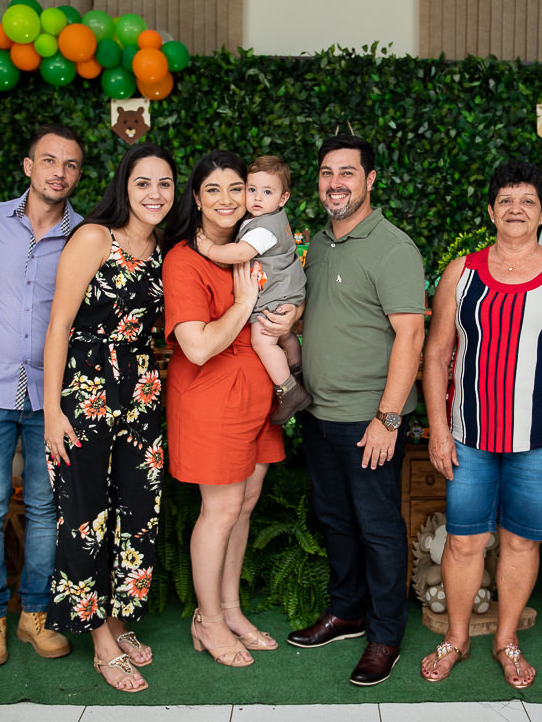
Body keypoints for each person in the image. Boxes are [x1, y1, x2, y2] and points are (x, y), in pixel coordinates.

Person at [419, 161, 542, 689]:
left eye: (527, 201)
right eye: (505, 200)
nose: (515, 209)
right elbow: (436, 356)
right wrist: (436, 426)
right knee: (463, 541)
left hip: (540, 438)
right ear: (491, 210)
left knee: (520, 541)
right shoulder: (462, 272)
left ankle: (506, 640)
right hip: (468, 436)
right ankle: (455, 637)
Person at [285, 134, 426, 687]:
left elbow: (410, 335)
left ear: (370, 180)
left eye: (347, 173)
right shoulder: (317, 245)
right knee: (335, 520)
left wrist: (388, 418)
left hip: (371, 421)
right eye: (326, 173)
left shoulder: (393, 248)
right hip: (319, 415)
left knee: (378, 528)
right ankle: (347, 610)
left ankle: (386, 635)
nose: (335, 183)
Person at [42, 142, 173, 693]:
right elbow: (59, 327)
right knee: (86, 516)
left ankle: (118, 622)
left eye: (165, 183)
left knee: (138, 512)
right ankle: (99, 640)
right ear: (124, 186)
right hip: (86, 389)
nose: (154, 194)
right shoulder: (95, 238)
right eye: (143, 182)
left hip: (142, 391)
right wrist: (51, 411)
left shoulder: (166, 248)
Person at [165, 151, 296, 667]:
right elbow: (196, 347)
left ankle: (231, 608)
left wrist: (290, 316)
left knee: (244, 504)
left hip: (257, 391)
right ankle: (209, 621)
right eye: (213, 190)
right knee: (219, 510)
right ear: (196, 198)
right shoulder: (184, 258)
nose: (227, 200)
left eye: (236, 189)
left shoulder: (254, 248)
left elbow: (286, 298)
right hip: (210, 395)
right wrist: (243, 306)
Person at [0, 124, 83, 668]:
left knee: (44, 508)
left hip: (49, 398)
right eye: (50, 160)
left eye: (71, 164)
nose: (60, 172)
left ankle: (34, 616)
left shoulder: (86, 234)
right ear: (28, 166)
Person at [194, 155, 311, 424]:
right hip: (287, 289)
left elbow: (240, 252)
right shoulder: (268, 217)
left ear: (283, 198)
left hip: (277, 292)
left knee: (263, 339)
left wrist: (209, 249)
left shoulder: (265, 228)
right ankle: (297, 371)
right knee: (286, 336)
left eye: (267, 192)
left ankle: (289, 391)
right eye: (251, 189)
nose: (257, 197)